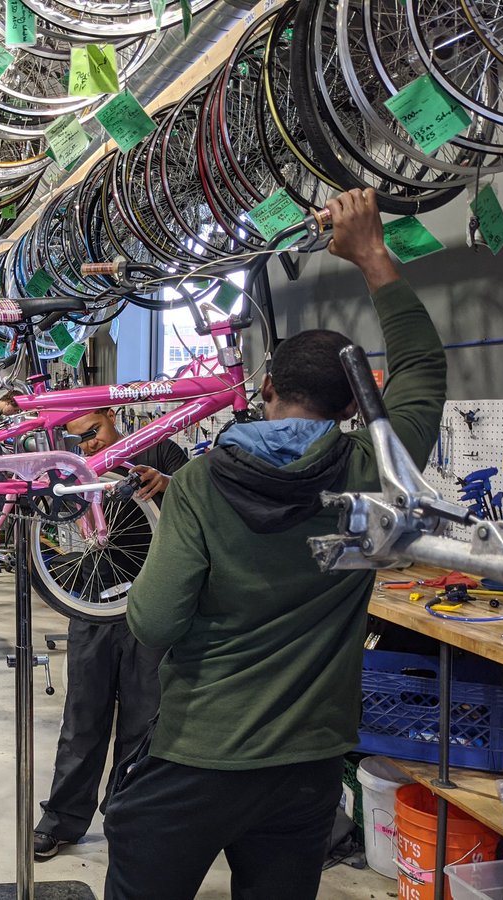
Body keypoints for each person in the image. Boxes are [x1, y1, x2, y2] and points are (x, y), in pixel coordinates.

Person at [105, 188, 446, 899]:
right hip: (306, 768)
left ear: (266, 387)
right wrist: (372, 255)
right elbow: (423, 370)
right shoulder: (376, 473)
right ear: (355, 405)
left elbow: (155, 621)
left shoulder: (201, 481)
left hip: (200, 754)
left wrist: (170, 526)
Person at [35, 408, 188, 859]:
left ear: (113, 416)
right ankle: (62, 818)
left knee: (144, 721)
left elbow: (204, 507)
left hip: (152, 607)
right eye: (79, 439)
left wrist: (170, 484)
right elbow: (54, 537)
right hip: (94, 604)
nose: (90, 445)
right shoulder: (72, 468)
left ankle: (128, 819)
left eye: (95, 431)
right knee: (83, 715)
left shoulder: (160, 450)